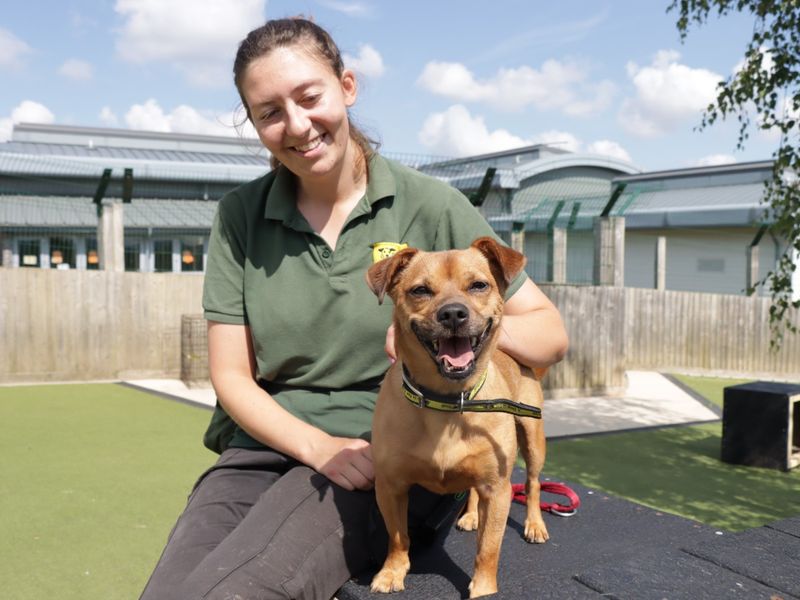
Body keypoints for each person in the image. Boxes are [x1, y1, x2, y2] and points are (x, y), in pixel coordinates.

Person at [140, 16, 568, 600]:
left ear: (347, 87)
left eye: (309, 97)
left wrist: (461, 333)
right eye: (269, 112)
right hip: (264, 449)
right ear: (255, 124)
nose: (296, 124)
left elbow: (548, 334)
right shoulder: (241, 215)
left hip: (383, 452)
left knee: (234, 591)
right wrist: (316, 448)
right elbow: (231, 377)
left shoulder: (432, 205)